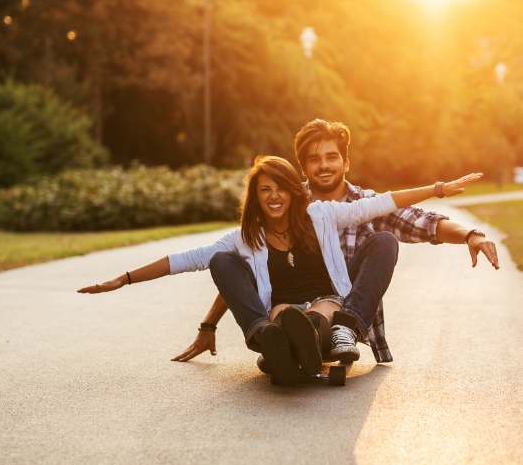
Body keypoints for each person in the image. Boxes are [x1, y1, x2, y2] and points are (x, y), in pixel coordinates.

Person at [78, 155, 484, 385]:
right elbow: (183, 260)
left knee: (381, 243)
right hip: (279, 312)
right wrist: (124, 278)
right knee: (239, 277)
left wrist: (438, 189)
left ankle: (319, 342)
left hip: (327, 306)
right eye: (265, 190)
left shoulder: (321, 215)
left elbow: (382, 203)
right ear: (256, 197)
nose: (274, 197)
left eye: (281, 189)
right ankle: (270, 342)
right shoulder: (243, 238)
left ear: (294, 191)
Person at [173, 119, 500, 366]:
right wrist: (208, 324)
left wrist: (472, 234)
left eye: (332, 157)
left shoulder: (366, 204)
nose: (324, 165)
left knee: (384, 240)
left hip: (342, 315)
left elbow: (427, 224)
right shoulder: (284, 203)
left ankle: (332, 334)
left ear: (346, 162)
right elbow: (246, 262)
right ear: (303, 167)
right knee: (288, 325)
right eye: (314, 159)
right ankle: (288, 348)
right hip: (289, 311)